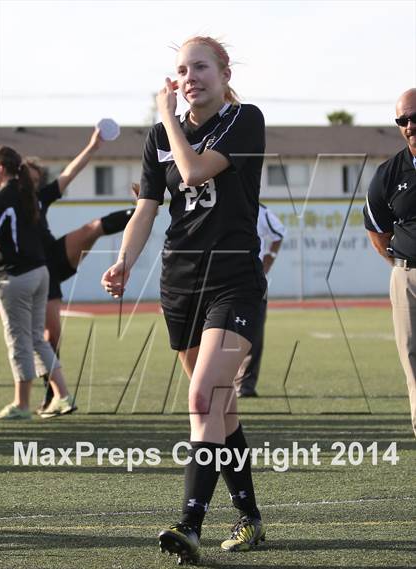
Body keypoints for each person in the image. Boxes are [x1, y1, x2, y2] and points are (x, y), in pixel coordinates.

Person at [102, 36, 267, 564]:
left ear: (222, 74)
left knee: (201, 400)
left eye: (200, 67)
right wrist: (125, 259)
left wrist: (166, 116)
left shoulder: (245, 120)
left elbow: (194, 171)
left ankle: (189, 525)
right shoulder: (158, 137)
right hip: (180, 284)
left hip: (233, 281)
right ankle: (250, 518)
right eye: (181, 69)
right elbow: (147, 209)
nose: (190, 76)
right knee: (220, 406)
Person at [25, 130, 136, 412]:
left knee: (92, 228)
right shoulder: (3, 200)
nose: (33, 184)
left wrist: (92, 145)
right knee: (50, 335)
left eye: (37, 181)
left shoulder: (40, 198)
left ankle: (141, 212)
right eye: (28, 179)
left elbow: (71, 172)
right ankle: (51, 395)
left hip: (52, 257)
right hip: (32, 269)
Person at [0, 146, 75, 420]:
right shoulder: (27, 195)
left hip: (16, 276)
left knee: (19, 341)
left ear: (1, 168)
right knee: (37, 340)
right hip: (41, 272)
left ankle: (21, 404)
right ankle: (63, 396)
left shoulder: (3, 198)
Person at [363, 87, 416, 437]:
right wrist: (403, 269)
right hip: (408, 278)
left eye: (415, 116)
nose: (410, 125)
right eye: (403, 119)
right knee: (413, 359)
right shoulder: (387, 173)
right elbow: (377, 230)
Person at [235, 203, 285, 397]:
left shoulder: (259, 210)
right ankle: (218, 380)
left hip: (252, 278)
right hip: (221, 275)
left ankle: (244, 384)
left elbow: (279, 233)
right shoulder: (219, 204)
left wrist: (267, 262)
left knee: (252, 331)